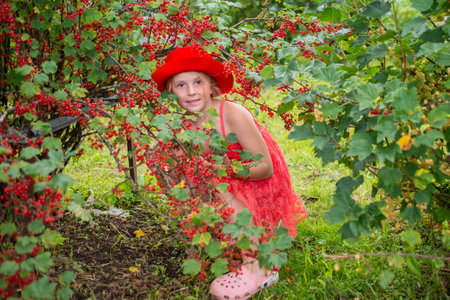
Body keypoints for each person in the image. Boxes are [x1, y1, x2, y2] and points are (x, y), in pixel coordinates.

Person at [151, 46, 307, 300]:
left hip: (256, 178)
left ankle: (261, 267)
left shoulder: (232, 114)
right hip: (224, 175)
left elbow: (264, 168)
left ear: (212, 86)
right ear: (170, 93)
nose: (190, 91)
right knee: (181, 174)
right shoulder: (184, 125)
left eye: (197, 82)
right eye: (180, 85)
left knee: (221, 193)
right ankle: (233, 240)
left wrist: (223, 170)